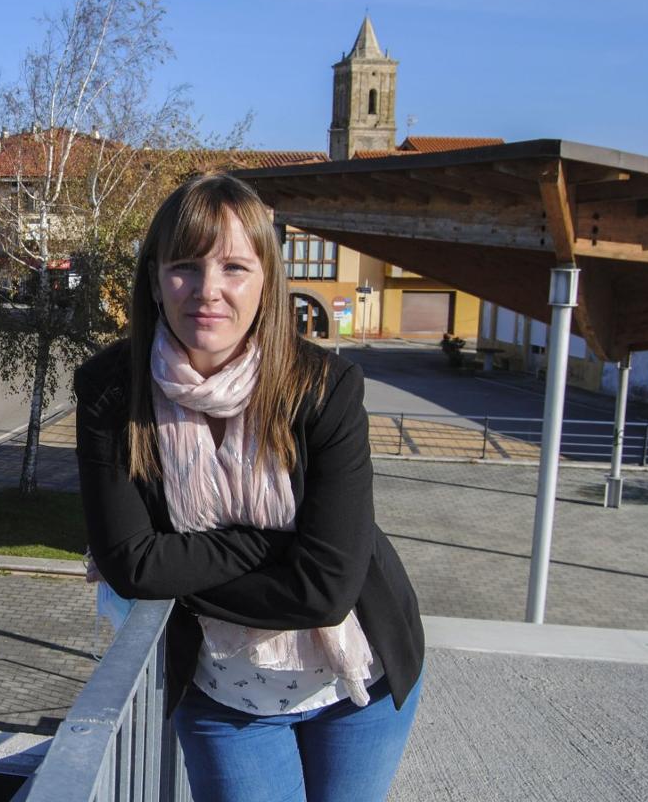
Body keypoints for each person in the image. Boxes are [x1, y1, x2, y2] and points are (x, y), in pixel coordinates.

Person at [75, 173, 424, 802]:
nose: (208, 291)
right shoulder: (110, 389)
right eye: (185, 266)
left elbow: (326, 590)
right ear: (155, 278)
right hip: (222, 697)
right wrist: (271, 545)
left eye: (235, 267)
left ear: (266, 282)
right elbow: (131, 563)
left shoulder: (324, 388)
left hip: (360, 685)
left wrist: (183, 564)